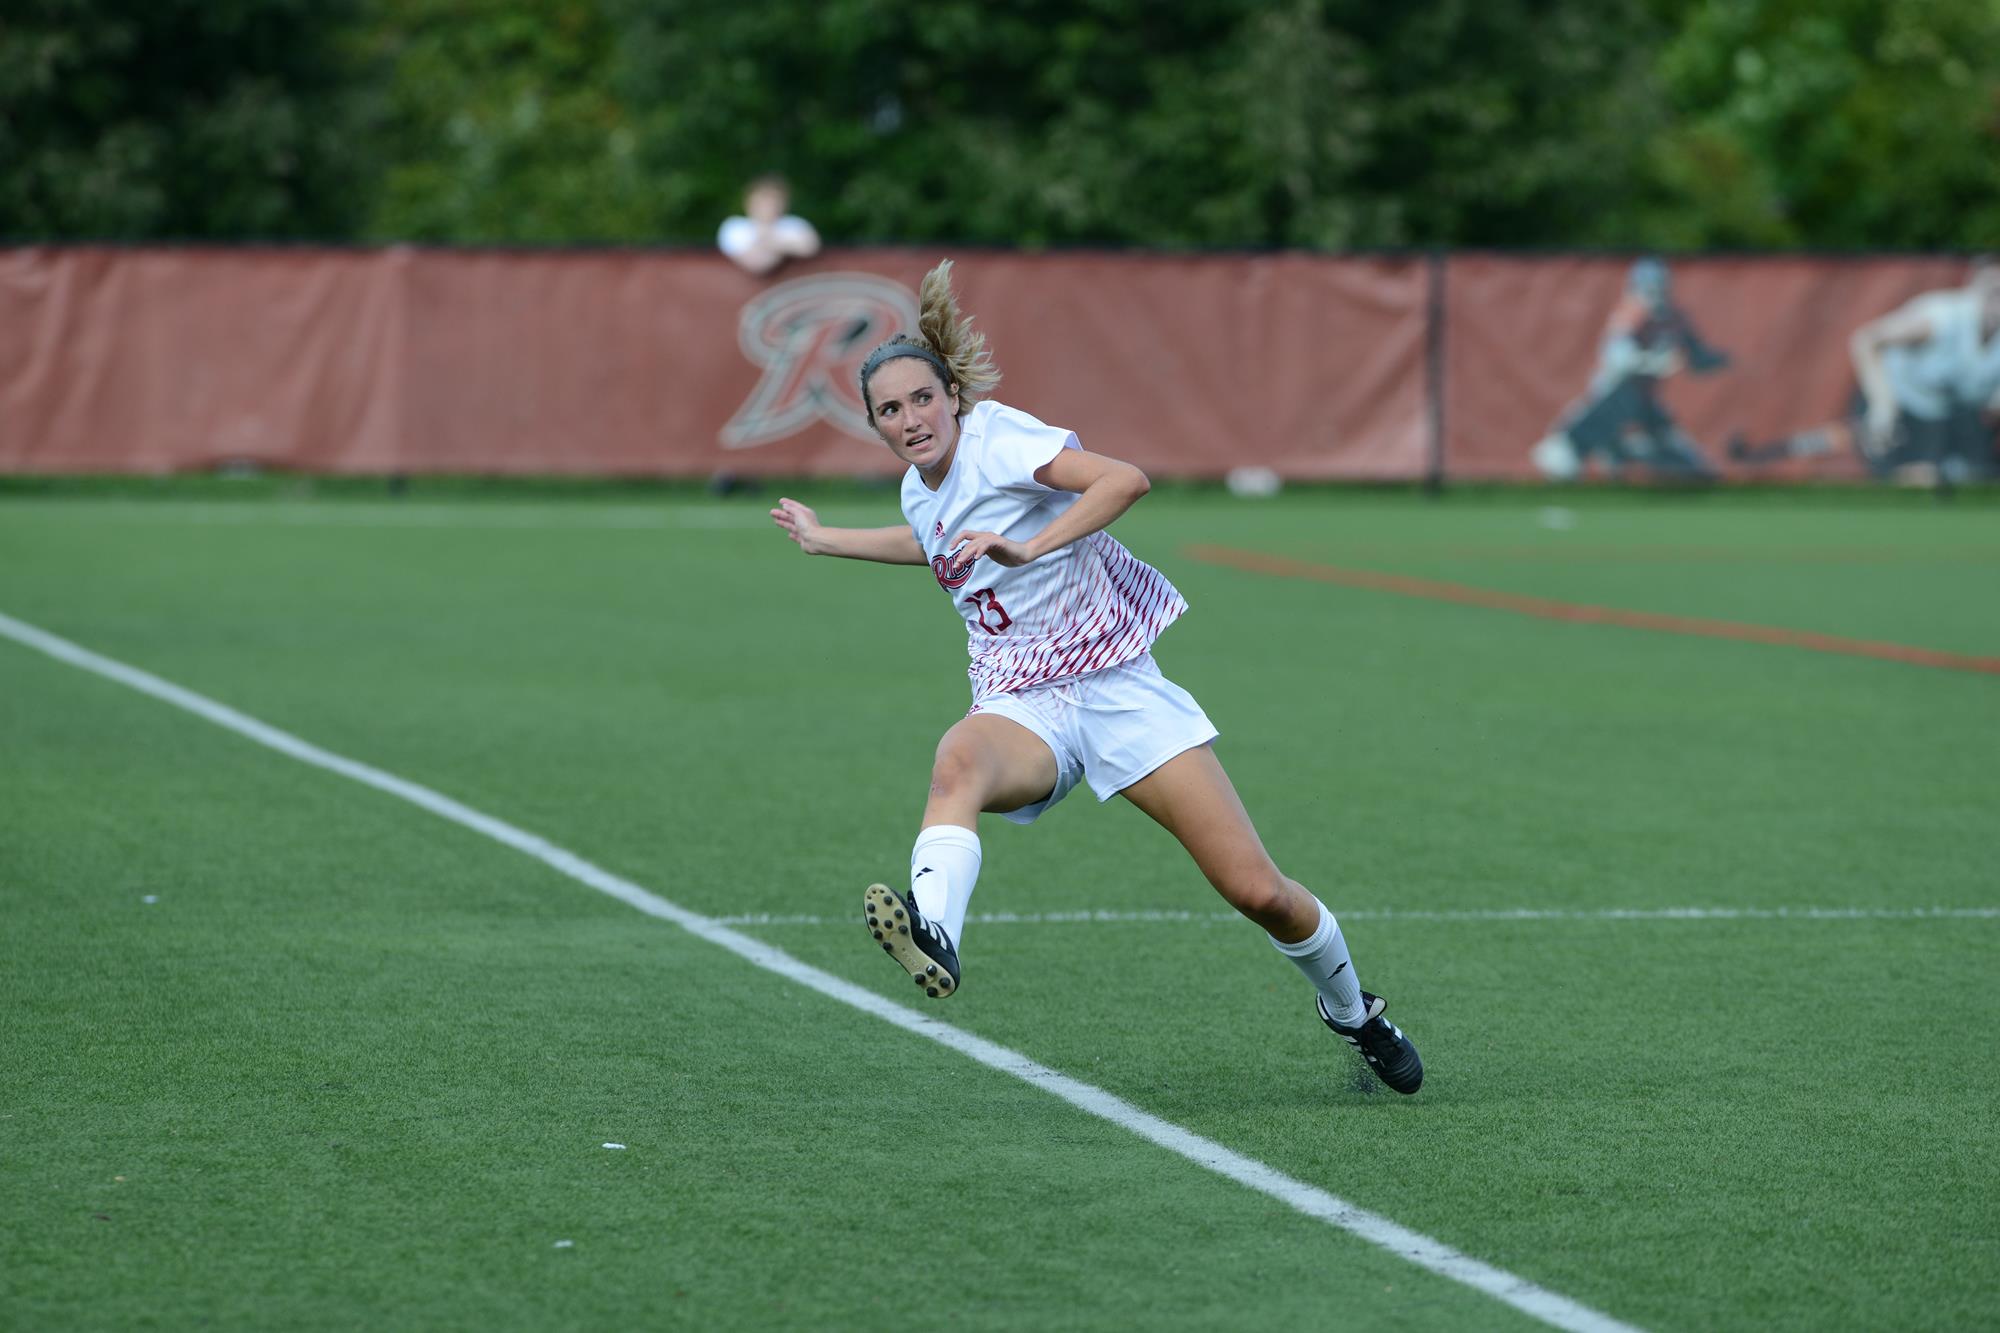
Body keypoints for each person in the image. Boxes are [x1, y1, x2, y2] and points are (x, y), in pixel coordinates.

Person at [768, 260, 1423, 1094]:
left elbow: (1125, 480)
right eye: (890, 410)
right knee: (957, 762)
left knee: (1258, 890)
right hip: (1022, 702)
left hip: (1117, 687)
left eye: (922, 398)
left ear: (953, 398)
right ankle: (934, 932)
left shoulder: (1001, 439)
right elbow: (927, 538)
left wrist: (1031, 545)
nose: (910, 418)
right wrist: (829, 540)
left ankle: (1353, 1012)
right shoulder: (919, 490)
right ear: (876, 426)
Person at [1728, 261, 2000, 485]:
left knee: (1964, 476)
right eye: (1992, 290)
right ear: (1974, 287)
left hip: (1944, 417)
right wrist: (1884, 408)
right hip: (1896, 404)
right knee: (1908, 474)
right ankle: (1755, 459)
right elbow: (1866, 340)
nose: (1995, 302)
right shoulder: (1943, 318)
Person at [1533, 257, 1730, 481]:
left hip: (1645, 402)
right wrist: (1652, 362)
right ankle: (1618, 449)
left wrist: (1719, 360)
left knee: (1689, 469)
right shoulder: (1630, 314)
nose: (1654, 293)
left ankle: (1632, 450)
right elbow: (1619, 360)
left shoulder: (1675, 317)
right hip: (1615, 397)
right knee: (1560, 459)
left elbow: (1697, 358)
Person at [717, 175, 821, 277]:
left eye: (773, 200)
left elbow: (810, 247)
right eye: (763, 200)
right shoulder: (734, 226)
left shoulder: (795, 223)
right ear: (748, 202)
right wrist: (785, 245)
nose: (768, 206)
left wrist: (766, 243)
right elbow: (756, 263)